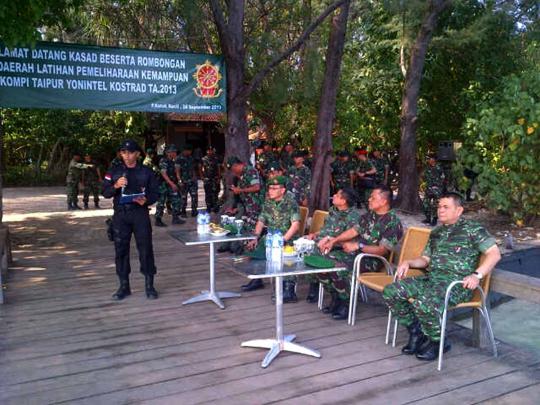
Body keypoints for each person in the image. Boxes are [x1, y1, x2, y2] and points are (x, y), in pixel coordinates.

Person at [382, 192, 501, 361]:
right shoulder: (437, 232)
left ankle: (438, 341)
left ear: (459, 210)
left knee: (424, 302)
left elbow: (494, 254)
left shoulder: (473, 230)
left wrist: (476, 275)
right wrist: (408, 262)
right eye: (439, 207)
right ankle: (416, 332)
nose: (440, 210)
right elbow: (425, 260)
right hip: (432, 280)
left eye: (446, 207)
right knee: (391, 291)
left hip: (457, 285)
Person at [318, 185, 404, 320]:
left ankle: (345, 303)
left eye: (373, 197)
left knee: (338, 266)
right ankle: (336, 297)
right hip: (356, 254)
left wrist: (359, 245)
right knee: (322, 261)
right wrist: (334, 240)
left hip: (372, 260)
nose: (369, 199)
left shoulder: (393, 222)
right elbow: (353, 231)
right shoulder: (368, 216)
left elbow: (381, 250)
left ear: (383, 201)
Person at [102, 139, 160, 300]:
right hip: (121, 215)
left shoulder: (146, 171)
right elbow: (104, 192)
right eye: (123, 152)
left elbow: (155, 193)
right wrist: (115, 185)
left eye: (130, 152)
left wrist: (146, 200)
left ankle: (149, 285)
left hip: (140, 214)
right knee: (121, 250)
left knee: (146, 249)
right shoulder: (114, 170)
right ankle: (124, 286)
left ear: (138, 154)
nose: (127, 156)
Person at [245, 176, 300, 300]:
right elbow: (261, 220)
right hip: (271, 237)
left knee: (287, 257)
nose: (271, 191)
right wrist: (255, 237)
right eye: (270, 188)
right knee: (254, 248)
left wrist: (282, 240)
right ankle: (257, 279)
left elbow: (295, 225)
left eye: (275, 188)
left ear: (283, 190)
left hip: (287, 239)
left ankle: (289, 290)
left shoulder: (291, 203)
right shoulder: (268, 202)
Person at [304, 187, 361, 303]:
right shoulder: (333, 210)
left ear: (344, 201)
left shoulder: (354, 217)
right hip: (323, 243)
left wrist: (331, 241)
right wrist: (314, 235)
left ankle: (339, 298)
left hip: (339, 247)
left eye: (337, 195)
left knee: (317, 255)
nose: (333, 195)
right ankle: (316, 285)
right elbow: (326, 230)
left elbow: (349, 238)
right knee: (305, 250)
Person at [155, 145, 184, 227]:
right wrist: (172, 184)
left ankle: (175, 218)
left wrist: (179, 181)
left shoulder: (173, 161)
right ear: (168, 153)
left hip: (171, 184)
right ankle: (158, 220)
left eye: (175, 152)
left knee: (177, 200)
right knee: (161, 202)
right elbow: (163, 174)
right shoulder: (163, 161)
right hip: (163, 185)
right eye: (173, 152)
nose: (175, 153)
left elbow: (176, 172)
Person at [422, 154, 445, 226]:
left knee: (435, 205)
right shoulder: (427, 168)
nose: (429, 160)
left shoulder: (439, 168)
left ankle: (434, 220)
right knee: (425, 204)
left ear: (434, 160)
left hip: (437, 190)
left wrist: (438, 186)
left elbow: (443, 178)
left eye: (431, 159)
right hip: (428, 189)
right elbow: (424, 177)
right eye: (429, 159)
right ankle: (428, 218)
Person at [176, 145, 199, 217]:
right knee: (183, 197)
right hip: (184, 182)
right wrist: (179, 180)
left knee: (194, 196)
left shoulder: (191, 158)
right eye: (188, 151)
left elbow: (193, 169)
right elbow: (177, 171)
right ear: (184, 150)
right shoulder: (179, 158)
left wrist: (195, 178)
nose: (189, 152)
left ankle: (194, 211)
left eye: (190, 151)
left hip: (192, 181)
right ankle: (183, 212)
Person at [201, 146, 221, 213]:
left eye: (211, 150)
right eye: (209, 150)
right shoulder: (203, 159)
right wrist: (202, 177)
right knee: (208, 194)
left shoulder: (216, 159)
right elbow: (200, 168)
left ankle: (215, 207)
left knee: (215, 194)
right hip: (207, 179)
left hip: (215, 178)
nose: (210, 152)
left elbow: (218, 168)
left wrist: (219, 177)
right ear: (207, 151)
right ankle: (208, 207)